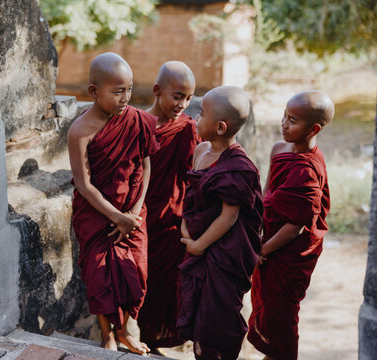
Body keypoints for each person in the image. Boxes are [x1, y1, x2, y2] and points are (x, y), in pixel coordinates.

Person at [67, 52, 159, 355]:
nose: (125, 98)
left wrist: (132, 213)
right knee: (100, 276)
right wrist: (116, 216)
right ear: (94, 91)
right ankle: (107, 334)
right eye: (117, 91)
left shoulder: (137, 120)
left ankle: (125, 332)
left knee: (134, 271)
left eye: (129, 89)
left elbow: (145, 165)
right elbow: (84, 183)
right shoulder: (80, 131)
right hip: (97, 215)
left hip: (133, 213)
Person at [176, 85, 263, 360]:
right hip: (198, 245)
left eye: (201, 115)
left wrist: (198, 245)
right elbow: (192, 197)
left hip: (222, 254)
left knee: (217, 319)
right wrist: (185, 227)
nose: (195, 120)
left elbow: (230, 216)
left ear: (221, 127)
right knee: (199, 316)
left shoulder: (238, 167)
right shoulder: (201, 150)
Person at [247, 90, 334, 360]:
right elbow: (267, 192)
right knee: (266, 308)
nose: (283, 123)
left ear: (314, 128)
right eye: (284, 115)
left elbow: (295, 226)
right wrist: (255, 231)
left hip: (288, 252)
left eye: (293, 120)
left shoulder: (307, 169)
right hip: (269, 240)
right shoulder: (278, 150)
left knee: (281, 314)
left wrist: (263, 251)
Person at [137, 61, 200, 352]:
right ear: (156, 90)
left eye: (188, 98)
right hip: (138, 219)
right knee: (140, 284)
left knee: (164, 287)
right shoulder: (137, 124)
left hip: (172, 221)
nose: (183, 104)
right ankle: (139, 338)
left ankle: (157, 340)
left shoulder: (186, 129)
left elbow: (195, 175)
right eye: (177, 96)